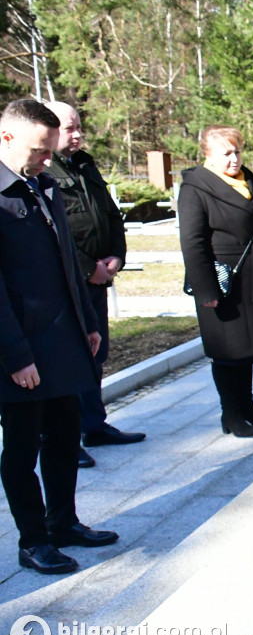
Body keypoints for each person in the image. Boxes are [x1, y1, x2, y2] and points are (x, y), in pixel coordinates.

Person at [0, 99, 119, 574]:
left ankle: (63, 521)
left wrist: (87, 323)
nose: (48, 159)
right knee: (23, 448)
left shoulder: (42, 186)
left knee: (66, 435)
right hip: (20, 349)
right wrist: (15, 355)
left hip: (62, 339)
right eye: (38, 150)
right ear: (6, 137)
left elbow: (67, 260)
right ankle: (33, 540)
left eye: (50, 149)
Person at [44, 102, 145, 469]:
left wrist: (117, 255)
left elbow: (109, 215)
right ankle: (66, 438)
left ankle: (94, 425)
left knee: (94, 354)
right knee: (70, 358)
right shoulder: (43, 172)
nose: (77, 135)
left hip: (99, 277)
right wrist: (88, 268)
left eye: (78, 127)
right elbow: (55, 232)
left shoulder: (85, 164)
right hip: (69, 281)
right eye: (69, 129)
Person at [178, 125, 253, 438]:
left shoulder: (249, 180)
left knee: (248, 346)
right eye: (226, 153)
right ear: (207, 155)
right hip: (222, 278)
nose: (234, 159)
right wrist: (205, 289)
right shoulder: (195, 187)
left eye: (237, 151)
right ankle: (231, 413)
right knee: (227, 350)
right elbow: (192, 241)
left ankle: (248, 408)